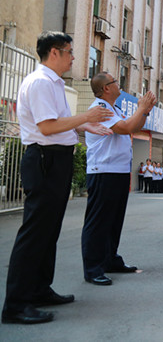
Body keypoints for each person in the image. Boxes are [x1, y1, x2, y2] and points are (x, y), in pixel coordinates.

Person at [2, 31, 113, 324]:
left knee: (48, 231)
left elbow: (59, 125)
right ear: (54, 52)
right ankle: (15, 304)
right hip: (44, 160)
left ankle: (39, 289)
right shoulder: (40, 83)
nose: (74, 57)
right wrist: (86, 119)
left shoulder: (53, 83)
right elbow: (47, 127)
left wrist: (84, 127)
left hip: (56, 159)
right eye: (69, 51)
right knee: (35, 233)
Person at [81, 72, 156, 286]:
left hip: (118, 171)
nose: (118, 84)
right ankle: (93, 268)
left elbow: (134, 126)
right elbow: (124, 128)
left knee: (113, 220)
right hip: (103, 170)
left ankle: (110, 259)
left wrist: (145, 111)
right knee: (98, 222)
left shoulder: (115, 108)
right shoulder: (100, 109)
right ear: (106, 88)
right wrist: (141, 108)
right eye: (114, 81)